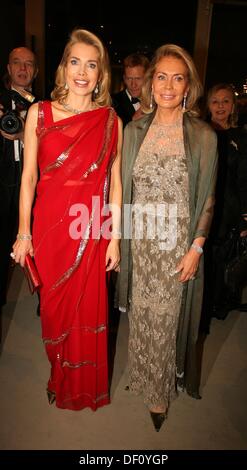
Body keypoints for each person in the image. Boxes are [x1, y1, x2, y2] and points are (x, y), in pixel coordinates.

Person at [11, 28, 122, 411]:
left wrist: (115, 238)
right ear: (63, 67)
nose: (82, 71)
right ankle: (57, 371)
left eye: (92, 65)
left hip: (90, 229)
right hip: (49, 228)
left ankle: (76, 384)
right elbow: (28, 177)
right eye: (75, 61)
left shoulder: (110, 121)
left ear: (101, 74)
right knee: (54, 311)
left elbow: (116, 183)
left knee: (86, 309)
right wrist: (23, 233)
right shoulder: (38, 113)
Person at [117, 44, 218, 431]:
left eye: (178, 78)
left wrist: (196, 247)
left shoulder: (203, 136)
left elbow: (207, 198)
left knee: (168, 320)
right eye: (162, 77)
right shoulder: (134, 129)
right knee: (142, 316)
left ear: (189, 86)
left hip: (176, 245)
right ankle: (141, 376)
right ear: (150, 83)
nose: (169, 85)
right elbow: (123, 189)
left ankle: (159, 394)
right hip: (140, 243)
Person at [200, 83, 247, 328]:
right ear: (207, 106)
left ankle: (216, 305)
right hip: (203, 207)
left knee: (222, 261)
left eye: (225, 101)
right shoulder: (199, 133)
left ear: (233, 106)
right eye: (215, 101)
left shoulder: (242, 137)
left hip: (229, 209)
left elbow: (244, 179)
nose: (220, 106)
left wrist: (245, 217)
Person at [0, 47, 37, 313]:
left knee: (39, 245)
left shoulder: (44, 106)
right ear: (9, 68)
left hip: (33, 185)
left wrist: (24, 135)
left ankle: (45, 301)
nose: (23, 69)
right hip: (2, 182)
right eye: (17, 63)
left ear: (35, 70)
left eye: (28, 64)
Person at [112, 53, 149, 127]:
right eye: (129, 78)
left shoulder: (156, 101)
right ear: (124, 79)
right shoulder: (112, 103)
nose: (133, 84)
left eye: (138, 78)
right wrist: (132, 122)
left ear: (147, 78)